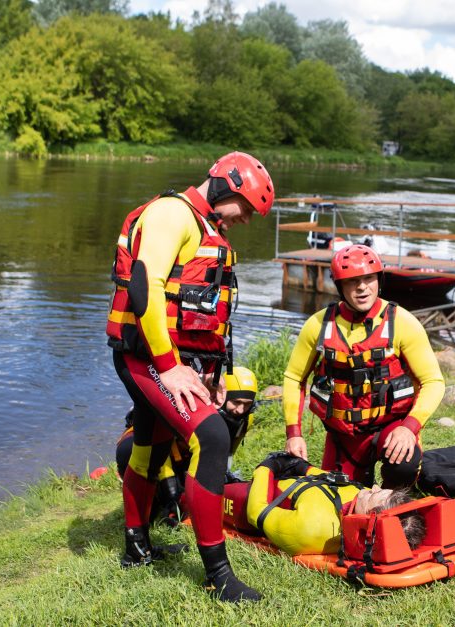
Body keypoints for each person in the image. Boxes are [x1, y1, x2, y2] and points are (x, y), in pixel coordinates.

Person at [107, 152, 274, 602]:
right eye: (247, 207)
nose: (247, 219)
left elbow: (204, 312)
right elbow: (145, 286)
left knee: (152, 446)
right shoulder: (171, 214)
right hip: (145, 356)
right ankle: (219, 577)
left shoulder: (204, 227)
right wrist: (168, 366)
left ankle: (136, 548)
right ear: (226, 185)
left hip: (170, 359)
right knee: (214, 437)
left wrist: (212, 373)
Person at [282, 244, 445, 488]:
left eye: (368, 278)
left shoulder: (402, 323)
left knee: (404, 465)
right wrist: (294, 433)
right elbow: (295, 378)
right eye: (352, 281)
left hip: (390, 427)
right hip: (343, 436)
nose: (361, 287)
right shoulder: (318, 325)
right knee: (338, 497)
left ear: (378, 280)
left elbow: (433, 381)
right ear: (340, 286)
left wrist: (409, 428)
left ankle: (392, 497)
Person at [114, 366, 260, 526]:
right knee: (131, 456)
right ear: (222, 395)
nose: (240, 410)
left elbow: (227, 452)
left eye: (247, 404)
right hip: (154, 446)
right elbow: (161, 446)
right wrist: (170, 489)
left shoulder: (245, 420)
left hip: (186, 454)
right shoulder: (192, 403)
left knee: (189, 495)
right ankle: (148, 508)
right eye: (236, 402)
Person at [243, 453, 425, 556]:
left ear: (365, 521)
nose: (374, 486)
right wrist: (303, 467)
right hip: (293, 478)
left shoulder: (311, 529)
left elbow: (255, 512)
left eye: (373, 494)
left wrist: (266, 467)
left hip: (251, 493)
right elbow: (331, 482)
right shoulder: (359, 502)